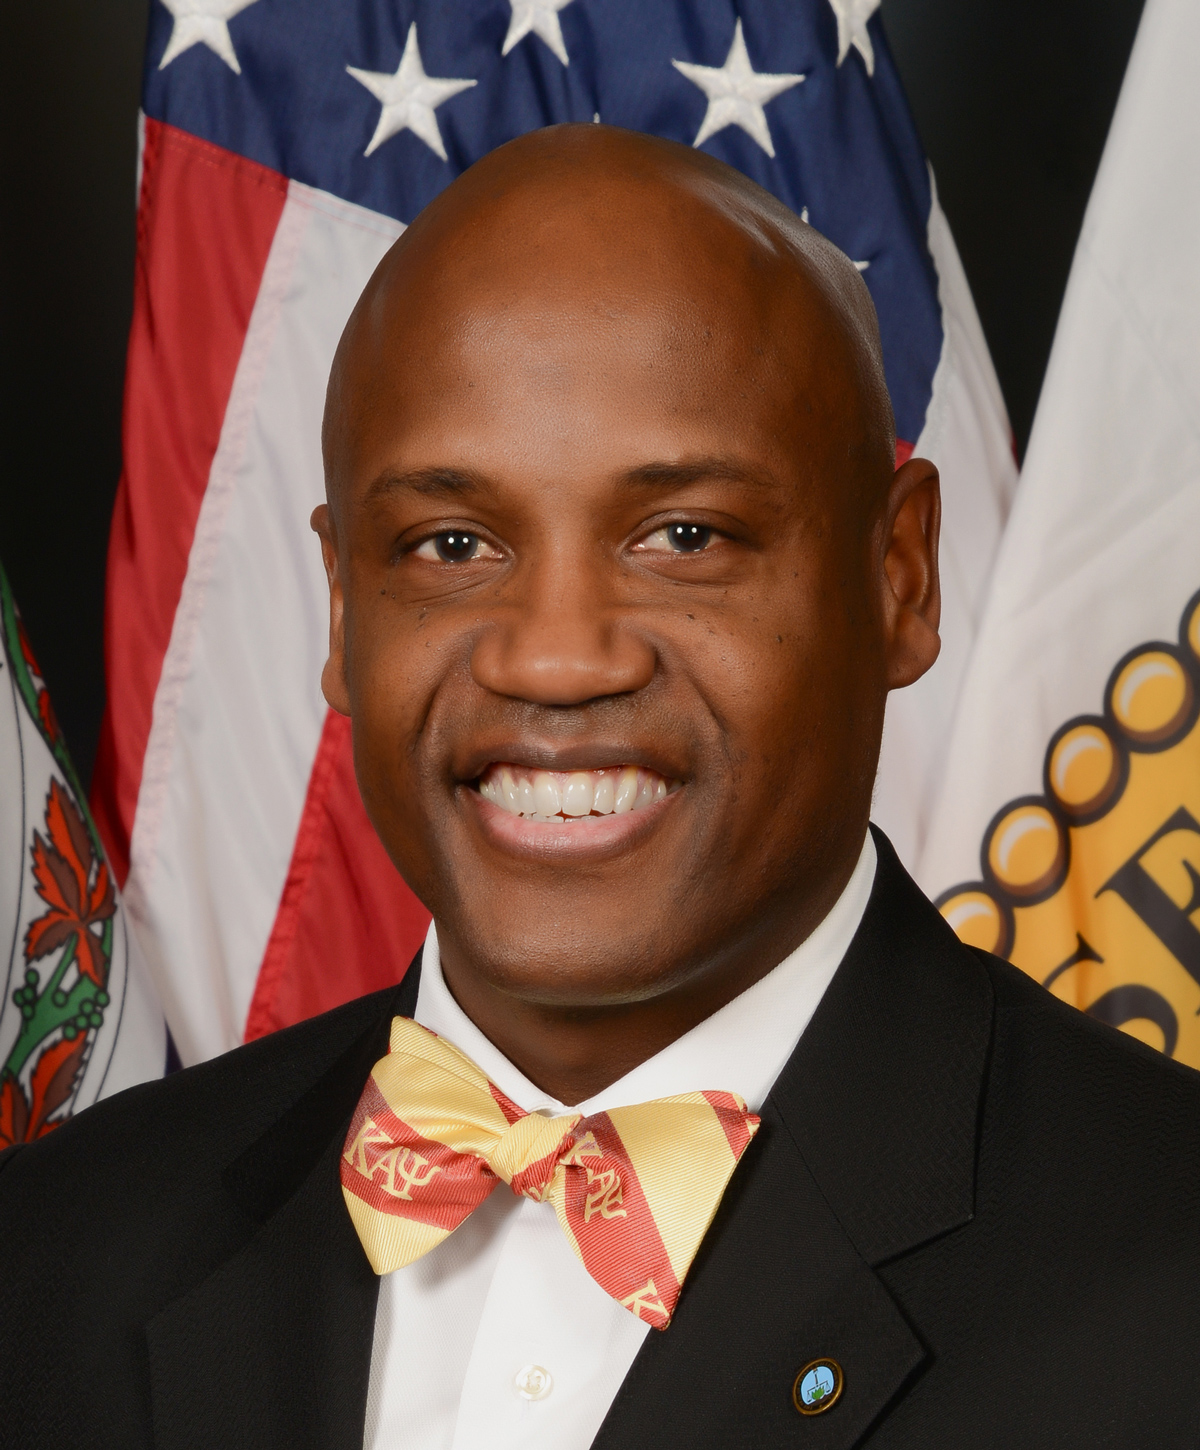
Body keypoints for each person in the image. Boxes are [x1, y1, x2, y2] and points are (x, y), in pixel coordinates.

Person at [3, 124, 1199, 1450]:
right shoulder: (53, 1259)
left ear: (900, 578)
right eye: (451, 544)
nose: (557, 659)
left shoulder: (1168, 1276)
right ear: (340, 608)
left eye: (685, 535)